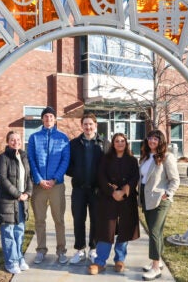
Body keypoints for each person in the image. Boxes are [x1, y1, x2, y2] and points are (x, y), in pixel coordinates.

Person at [88, 133, 140, 275]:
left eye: (122, 141)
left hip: (126, 199)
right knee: (106, 230)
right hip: (108, 198)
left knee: (124, 229)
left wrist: (123, 191)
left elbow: (135, 177)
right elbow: (101, 176)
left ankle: (119, 259)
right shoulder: (106, 159)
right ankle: (100, 262)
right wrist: (112, 191)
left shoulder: (132, 160)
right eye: (117, 141)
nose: (120, 143)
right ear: (113, 143)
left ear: (126, 143)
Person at [27, 106, 70, 264]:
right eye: (46, 117)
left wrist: (55, 179)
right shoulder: (34, 138)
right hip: (39, 186)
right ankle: (41, 250)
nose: (48, 119)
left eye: (51, 116)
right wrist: (39, 179)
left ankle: (61, 251)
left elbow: (65, 160)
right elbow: (31, 159)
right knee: (39, 220)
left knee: (59, 220)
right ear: (42, 119)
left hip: (56, 186)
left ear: (55, 119)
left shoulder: (63, 138)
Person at [138, 129, 180, 281]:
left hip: (159, 199)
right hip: (146, 198)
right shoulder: (145, 157)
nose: (152, 141)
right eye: (150, 138)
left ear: (161, 141)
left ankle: (155, 268)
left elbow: (175, 179)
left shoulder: (167, 157)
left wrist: (168, 194)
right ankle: (158, 261)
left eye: (156, 139)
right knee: (156, 231)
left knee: (154, 232)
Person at [66, 113, 107, 264]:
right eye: (85, 124)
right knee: (78, 220)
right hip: (79, 189)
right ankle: (80, 250)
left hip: (97, 190)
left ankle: (93, 249)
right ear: (81, 126)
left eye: (91, 124)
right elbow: (67, 165)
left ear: (96, 125)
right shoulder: (74, 144)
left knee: (96, 220)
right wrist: (76, 173)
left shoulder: (104, 143)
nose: (88, 127)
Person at [0, 131, 33, 274]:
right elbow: (2, 179)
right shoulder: (2, 158)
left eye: (18, 139)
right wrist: (18, 194)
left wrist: (27, 193)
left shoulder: (24, 157)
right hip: (7, 201)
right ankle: (11, 262)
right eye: (12, 140)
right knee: (8, 233)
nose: (15, 142)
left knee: (19, 231)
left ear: (21, 141)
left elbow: (29, 177)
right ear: (7, 142)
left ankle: (19, 258)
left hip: (22, 201)